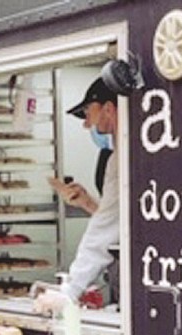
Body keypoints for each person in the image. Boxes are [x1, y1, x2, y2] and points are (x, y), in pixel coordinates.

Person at [36, 77, 119, 310]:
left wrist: (70, 290)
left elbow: (108, 224)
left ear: (109, 109)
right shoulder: (117, 156)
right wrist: (89, 204)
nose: (86, 125)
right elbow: (116, 218)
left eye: (88, 113)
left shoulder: (123, 158)